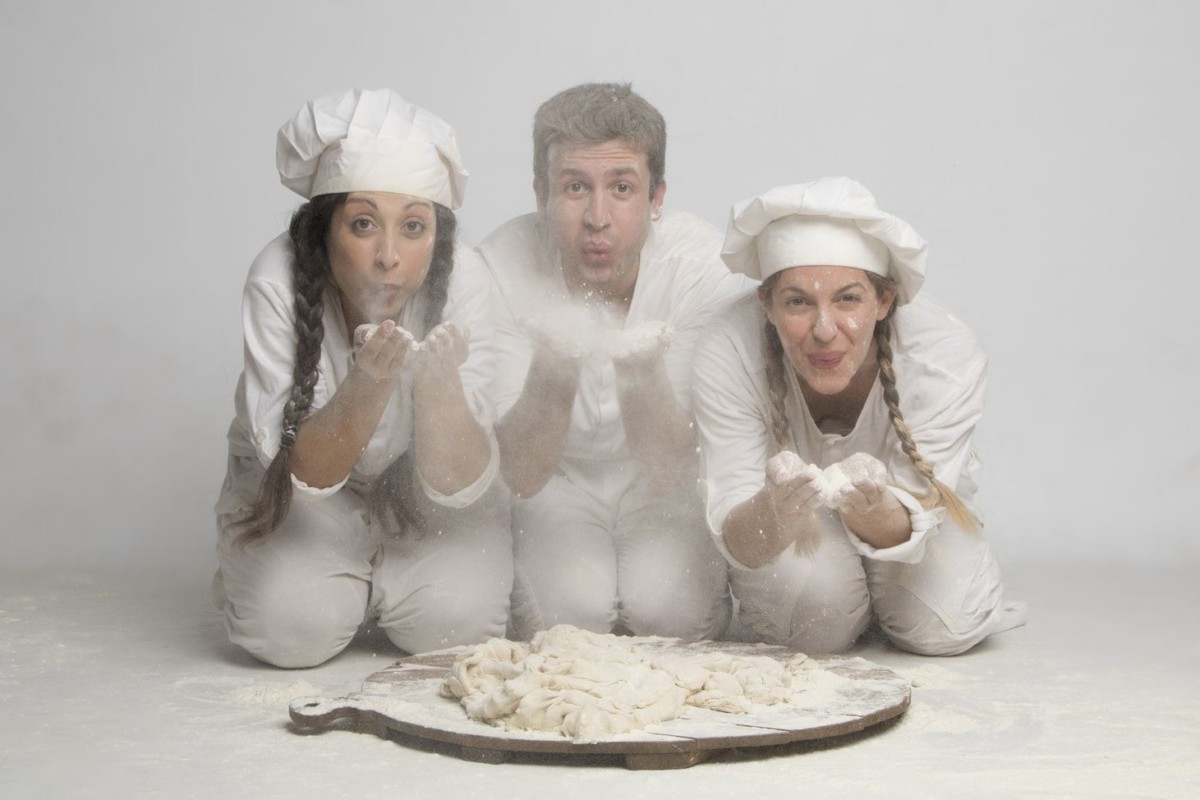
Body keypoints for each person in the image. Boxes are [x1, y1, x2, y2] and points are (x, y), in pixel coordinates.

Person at [213, 89, 511, 668]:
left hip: (422, 491)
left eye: (414, 226)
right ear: (324, 230)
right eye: (364, 224)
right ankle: (295, 574)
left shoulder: (467, 279)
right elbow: (305, 473)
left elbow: (458, 480)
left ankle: (382, 578)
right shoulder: (276, 279)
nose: (388, 256)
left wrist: (440, 389)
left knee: (457, 629)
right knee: (290, 633)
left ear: (438, 237)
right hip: (298, 494)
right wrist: (369, 383)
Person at [693, 177, 1026, 656]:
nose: (824, 330)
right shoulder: (727, 347)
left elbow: (918, 511)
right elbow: (740, 536)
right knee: (814, 629)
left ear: (884, 300)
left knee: (942, 627)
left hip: (904, 517)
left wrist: (871, 507)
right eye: (797, 302)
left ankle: (884, 587)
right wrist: (777, 509)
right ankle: (843, 591)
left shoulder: (944, 355)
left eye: (848, 298)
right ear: (766, 304)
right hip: (791, 520)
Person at [477, 83, 755, 641]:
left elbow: (673, 468)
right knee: (569, 623)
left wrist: (640, 368)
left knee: (673, 620)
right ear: (541, 194)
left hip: (664, 487)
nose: (597, 217)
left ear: (656, 197)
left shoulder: (703, 269)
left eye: (622, 188)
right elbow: (521, 473)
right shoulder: (499, 266)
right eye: (575, 187)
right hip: (554, 481)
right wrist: (555, 366)